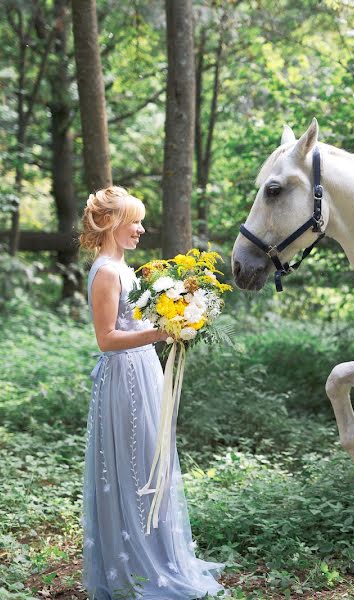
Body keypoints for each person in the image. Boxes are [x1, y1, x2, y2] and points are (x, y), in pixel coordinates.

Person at [80, 186, 224, 598]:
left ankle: (155, 553)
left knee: (150, 460)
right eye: (134, 221)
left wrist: (178, 313)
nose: (141, 229)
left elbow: (135, 324)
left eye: (141, 221)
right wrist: (163, 331)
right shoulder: (106, 272)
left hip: (143, 370)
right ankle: (130, 562)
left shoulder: (127, 269)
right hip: (123, 377)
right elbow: (106, 339)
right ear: (110, 224)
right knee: (132, 462)